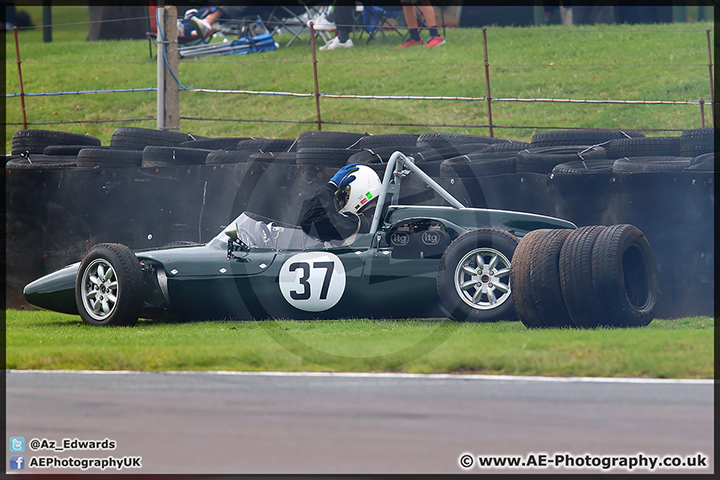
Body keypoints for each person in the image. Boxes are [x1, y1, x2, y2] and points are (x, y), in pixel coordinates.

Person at [301, 163, 383, 242]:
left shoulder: (354, 223)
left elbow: (310, 221)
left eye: (341, 198)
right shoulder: (374, 219)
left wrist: (331, 186)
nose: (339, 203)